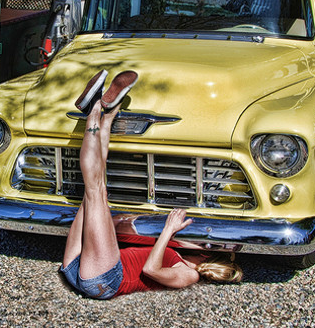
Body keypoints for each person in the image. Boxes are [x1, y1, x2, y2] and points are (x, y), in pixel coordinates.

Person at [60, 70, 242, 299]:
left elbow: (150, 270)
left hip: (104, 279)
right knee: (94, 187)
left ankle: (93, 109)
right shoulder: (181, 258)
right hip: (84, 269)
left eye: (205, 248)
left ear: (207, 257)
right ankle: (107, 115)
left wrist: (168, 229)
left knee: (96, 190)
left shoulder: (190, 275)